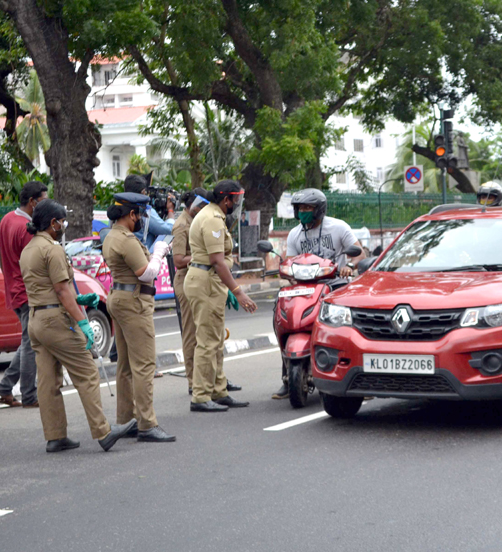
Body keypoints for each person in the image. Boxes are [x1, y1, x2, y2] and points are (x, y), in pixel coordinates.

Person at [19, 199, 135, 452]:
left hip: (36, 320)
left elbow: (46, 288)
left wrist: (79, 298)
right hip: (56, 321)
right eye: (62, 222)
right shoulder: (53, 250)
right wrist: (84, 323)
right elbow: (61, 290)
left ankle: (55, 436)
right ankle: (103, 431)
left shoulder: (28, 250)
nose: (64, 226)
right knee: (87, 373)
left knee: (48, 381)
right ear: (53, 223)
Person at [272, 188, 362, 399]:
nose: (303, 212)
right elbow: (290, 260)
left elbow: (359, 252)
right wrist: (287, 272)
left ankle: (355, 375)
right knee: (281, 316)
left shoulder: (338, 227)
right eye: (300, 208)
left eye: (307, 208)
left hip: (335, 283)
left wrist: (348, 265)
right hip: (305, 287)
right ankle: (287, 373)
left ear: (319, 209)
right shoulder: (295, 233)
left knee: (347, 326)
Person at [103, 193, 176, 442]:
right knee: (144, 364)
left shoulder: (110, 235)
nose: (142, 220)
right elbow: (146, 273)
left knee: (124, 365)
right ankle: (147, 424)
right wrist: (158, 252)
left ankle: (126, 419)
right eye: (140, 215)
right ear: (131, 214)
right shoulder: (126, 240)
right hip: (134, 302)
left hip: (120, 298)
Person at [184, 180, 257, 412]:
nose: (237, 204)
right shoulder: (212, 219)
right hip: (206, 280)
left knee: (216, 339)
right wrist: (238, 291)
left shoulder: (212, 215)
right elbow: (217, 260)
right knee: (207, 341)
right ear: (226, 200)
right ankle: (200, 395)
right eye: (235, 200)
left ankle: (218, 390)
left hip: (209, 281)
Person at [0, 181, 47, 408]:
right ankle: (29, 394)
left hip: (13, 289)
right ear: (32, 202)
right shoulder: (27, 230)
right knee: (30, 344)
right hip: (28, 292)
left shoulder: (7, 219)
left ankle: (5, 386)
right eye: (43, 200)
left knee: (27, 341)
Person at [124, 174, 176, 251]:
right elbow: (169, 230)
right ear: (143, 192)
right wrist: (170, 210)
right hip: (143, 257)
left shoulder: (120, 206)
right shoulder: (145, 211)